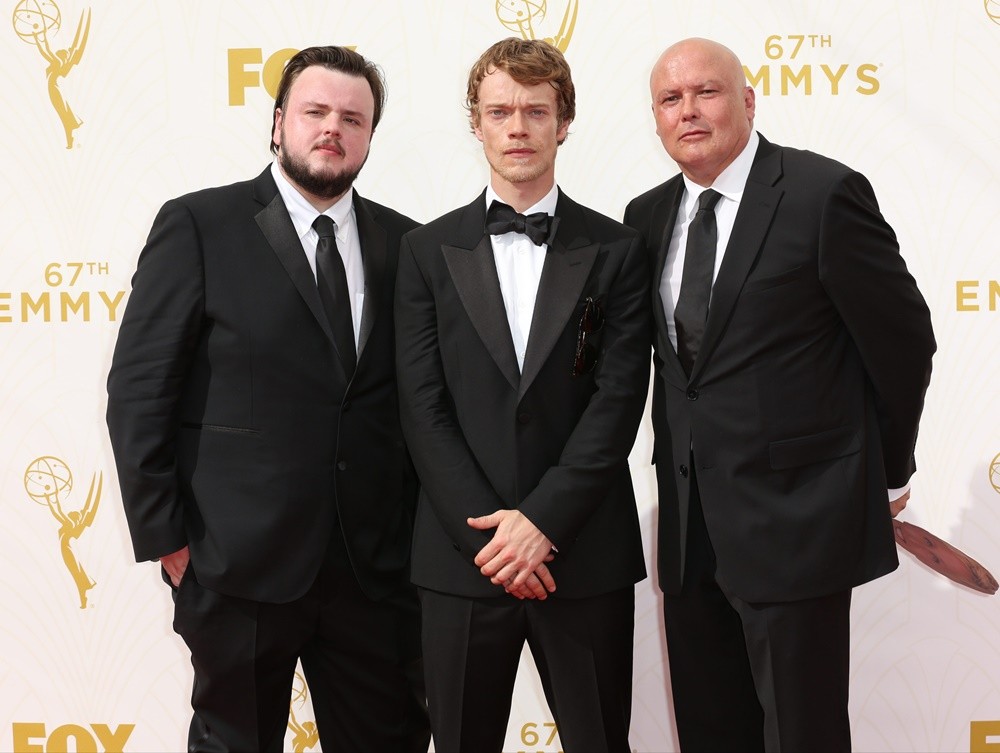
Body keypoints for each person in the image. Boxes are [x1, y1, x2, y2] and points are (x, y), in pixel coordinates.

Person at [106, 45, 429, 753]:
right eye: (315, 112)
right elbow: (138, 389)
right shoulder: (199, 225)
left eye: (352, 117)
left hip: (373, 573)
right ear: (279, 122)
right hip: (234, 566)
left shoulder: (409, 245)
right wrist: (169, 543)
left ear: (371, 135)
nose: (332, 129)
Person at [624, 38, 936, 752]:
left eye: (706, 91)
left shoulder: (822, 193)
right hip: (689, 532)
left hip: (798, 525)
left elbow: (902, 340)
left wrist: (887, 470)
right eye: (671, 100)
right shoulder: (645, 217)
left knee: (803, 735)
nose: (689, 111)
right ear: (656, 117)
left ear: (748, 100)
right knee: (710, 731)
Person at [395, 37, 649, 753]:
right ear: (475, 124)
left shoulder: (618, 249)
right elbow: (423, 408)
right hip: (462, 556)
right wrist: (497, 537)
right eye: (499, 111)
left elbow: (617, 403)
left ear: (563, 122)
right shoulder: (424, 251)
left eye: (536, 111)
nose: (517, 128)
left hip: (583, 551)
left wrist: (542, 521)